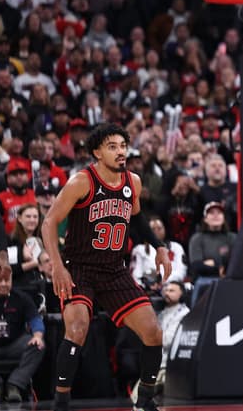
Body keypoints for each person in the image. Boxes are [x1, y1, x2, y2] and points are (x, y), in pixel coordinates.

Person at [40, 123, 170, 411]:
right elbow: (48, 222)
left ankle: (146, 400)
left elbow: (136, 220)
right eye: (113, 146)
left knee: (153, 332)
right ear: (97, 152)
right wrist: (57, 266)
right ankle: (60, 403)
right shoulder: (81, 182)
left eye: (123, 145)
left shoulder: (132, 182)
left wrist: (159, 246)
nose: (121, 151)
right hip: (79, 267)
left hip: (114, 269)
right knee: (77, 329)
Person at [0, 263, 45, 403]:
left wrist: (37, 335)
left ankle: (15, 385)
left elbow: (35, 319)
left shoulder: (22, 298)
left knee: (38, 345)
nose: (4, 284)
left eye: (7, 280)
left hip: (14, 345)